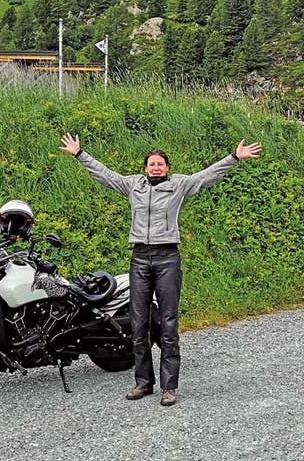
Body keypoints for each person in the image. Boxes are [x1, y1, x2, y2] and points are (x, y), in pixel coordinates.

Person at [59, 133, 262, 406]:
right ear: (145, 167)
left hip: (168, 259)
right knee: (138, 324)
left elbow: (206, 176)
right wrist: (80, 154)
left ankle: (169, 387)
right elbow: (105, 175)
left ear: (167, 168)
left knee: (167, 323)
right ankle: (143, 382)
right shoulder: (133, 185)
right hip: (140, 259)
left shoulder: (179, 185)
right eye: (152, 164)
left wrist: (234, 157)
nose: (156, 168)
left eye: (160, 164)